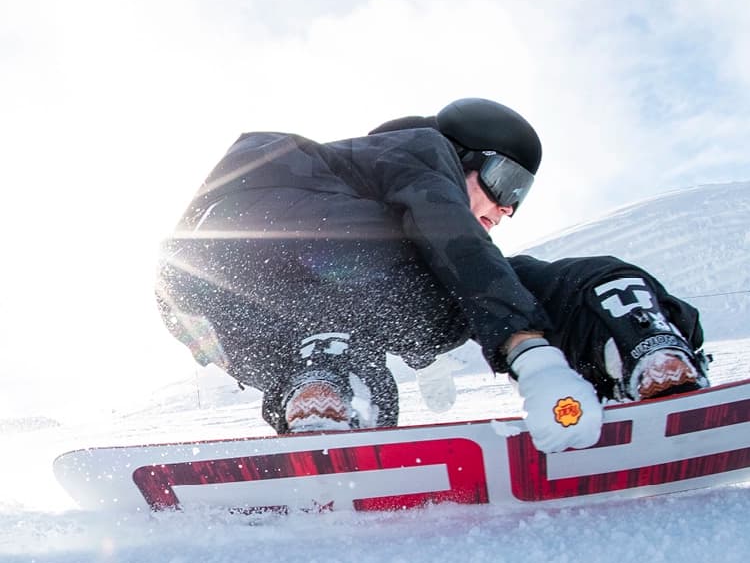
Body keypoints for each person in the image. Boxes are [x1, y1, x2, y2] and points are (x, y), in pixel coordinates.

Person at [155, 98, 709, 453]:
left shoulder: (351, 172)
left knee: (324, 342)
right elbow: (455, 243)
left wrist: (424, 351)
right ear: (468, 154)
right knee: (527, 278)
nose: (507, 207)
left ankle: (327, 386)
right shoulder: (424, 147)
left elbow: (393, 298)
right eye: (505, 182)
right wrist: (533, 358)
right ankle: (634, 333)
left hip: (193, 291)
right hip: (310, 247)